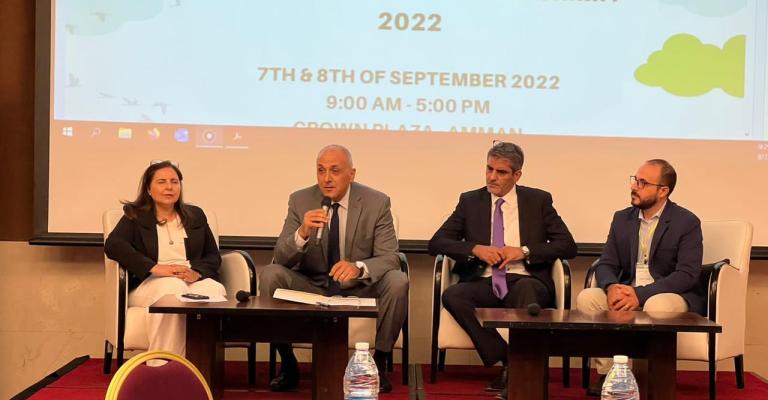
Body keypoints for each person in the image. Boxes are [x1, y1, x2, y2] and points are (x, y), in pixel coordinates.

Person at [428, 141, 577, 398]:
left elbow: (568, 246)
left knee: (528, 290)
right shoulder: (470, 201)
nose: (492, 177)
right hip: (484, 281)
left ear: (517, 175)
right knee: (453, 295)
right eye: (489, 169)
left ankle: (520, 373)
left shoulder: (538, 200)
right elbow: (437, 243)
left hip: (524, 278)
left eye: (501, 172)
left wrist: (524, 251)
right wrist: (475, 249)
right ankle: (510, 360)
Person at [260, 145, 408, 393]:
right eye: (321, 171)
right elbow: (281, 258)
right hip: (314, 284)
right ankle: (288, 362)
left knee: (398, 280)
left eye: (335, 171)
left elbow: (390, 258)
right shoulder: (300, 200)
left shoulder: (376, 202)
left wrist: (359, 268)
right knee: (270, 274)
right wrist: (302, 233)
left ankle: (379, 362)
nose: (326, 178)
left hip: (359, 286)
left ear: (352, 174)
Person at [576, 159, 704, 396]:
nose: (634, 186)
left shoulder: (686, 222)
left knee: (657, 304)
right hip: (628, 290)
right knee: (589, 297)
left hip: (668, 294)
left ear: (663, 191)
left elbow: (687, 274)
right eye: (635, 180)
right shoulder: (622, 218)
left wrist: (640, 294)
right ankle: (609, 375)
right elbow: (606, 263)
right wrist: (611, 286)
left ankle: (649, 376)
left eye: (643, 183)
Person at [104, 160, 226, 361]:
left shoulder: (195, 215)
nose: (169, 187)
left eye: (174, 182)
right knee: (172, 288)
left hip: (190, 279)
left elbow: (213, 255)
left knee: (213, 289)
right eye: (161, 182)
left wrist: (197, 273)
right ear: (148, 189)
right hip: (151, 282)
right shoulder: (136, 215)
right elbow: (113, 245)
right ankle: (162, 365)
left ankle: (202, 367)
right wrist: (154, 268)